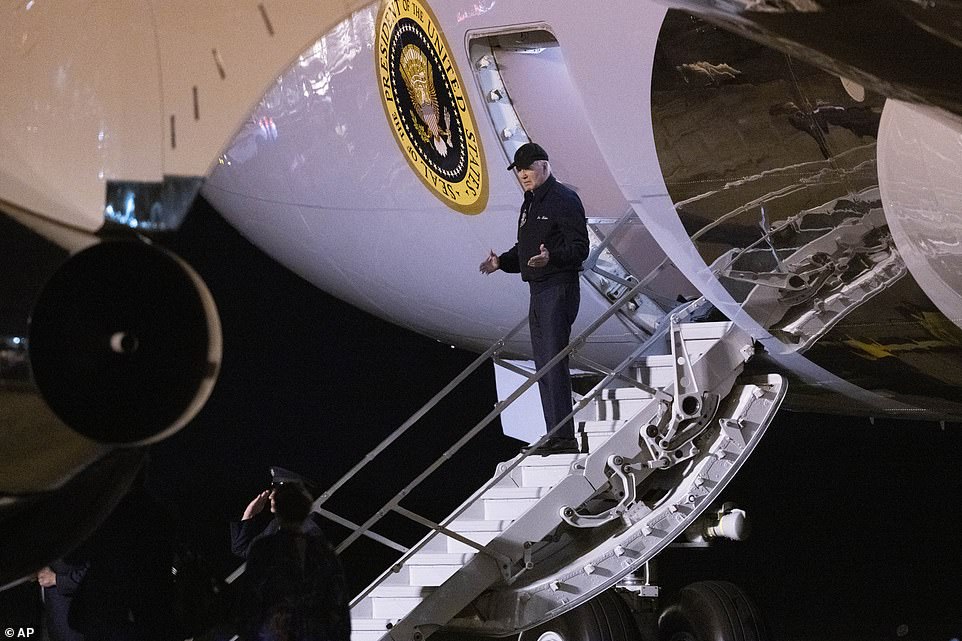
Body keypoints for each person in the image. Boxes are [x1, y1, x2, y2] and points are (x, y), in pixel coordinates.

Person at [480, 142, 589, 455]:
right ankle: (554, 434)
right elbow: (525, 250)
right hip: (538, 290)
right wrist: (502, 262)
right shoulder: (530, 202)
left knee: (554, 361)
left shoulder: (563, 199)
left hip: (558, 288)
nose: (523, 175)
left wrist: (551, 258)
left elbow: (580, 249)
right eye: (518, 170)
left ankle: (565, 438)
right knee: (543, 365)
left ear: (544, 165)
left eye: (528, 168)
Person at [236, 484, 350, 641]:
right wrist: (248, 516)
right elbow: (337, 598)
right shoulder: (322, 548)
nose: (269, 498)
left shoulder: (266, 546)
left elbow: (251, 596)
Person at [230, 467, 324, 559]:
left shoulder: (307, 525)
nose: (270, 497)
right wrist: (248, 515)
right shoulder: (277, 524)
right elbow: (243, 550)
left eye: (276, 492)